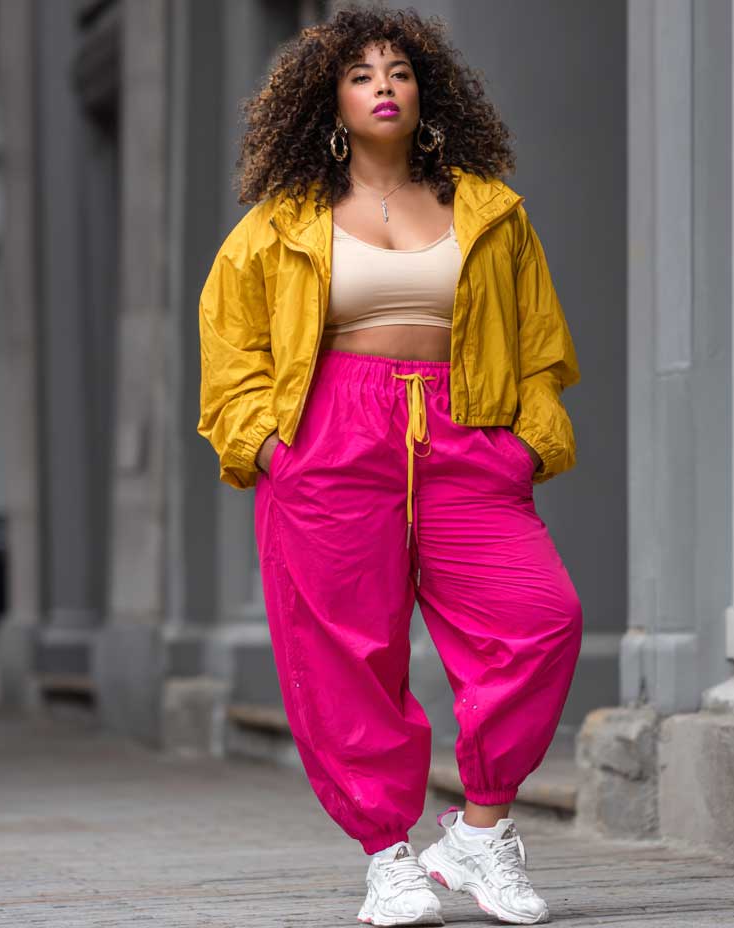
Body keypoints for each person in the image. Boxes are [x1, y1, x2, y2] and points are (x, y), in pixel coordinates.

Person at [196, 6, 582, 925]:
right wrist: (270, 446)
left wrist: (528, 440)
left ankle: (479, 836)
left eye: (399, 71)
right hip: (332, 436)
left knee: (541, 619)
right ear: (330, 97)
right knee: (345, 652)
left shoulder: (487, 208)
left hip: (468, 430)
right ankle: (387, 855)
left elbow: (537, 343)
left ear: (427, 93)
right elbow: (232, 344)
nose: (383, 85)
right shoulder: (281, 223)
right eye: (362, 73)